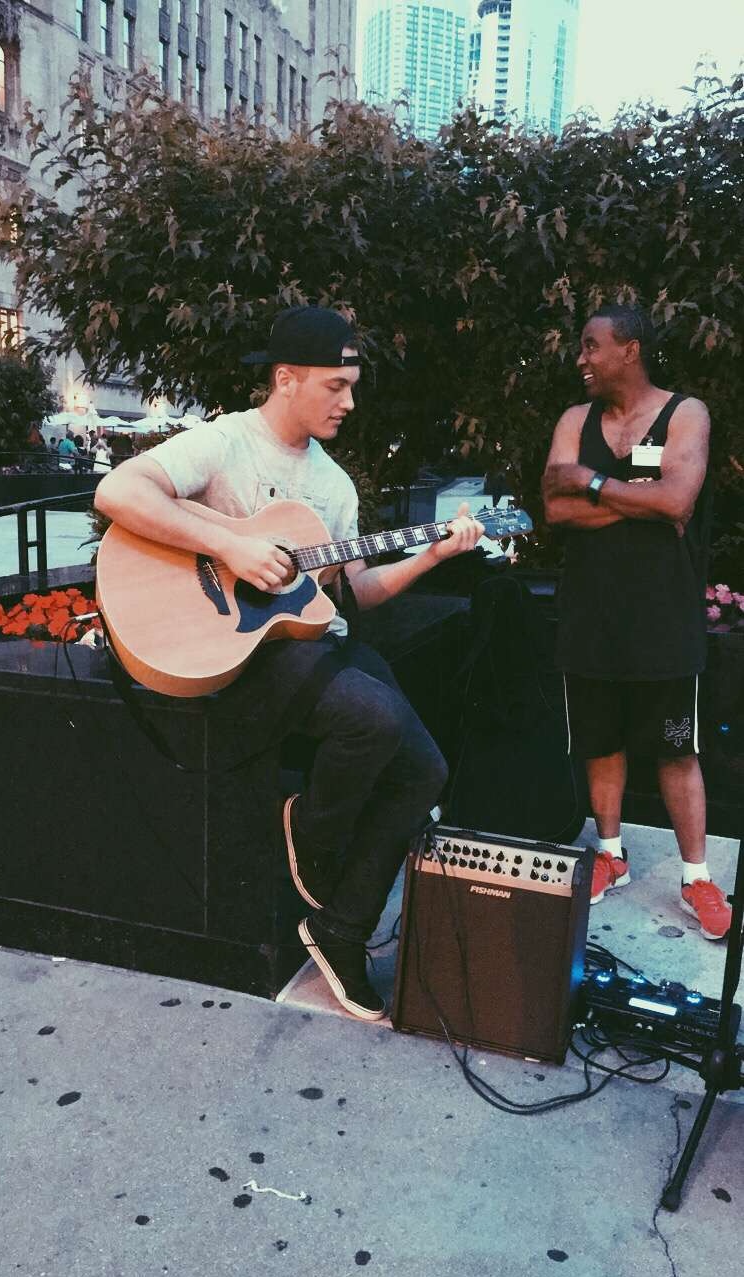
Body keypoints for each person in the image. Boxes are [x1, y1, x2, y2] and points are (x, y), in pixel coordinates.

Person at [95, 306, 484, 1018]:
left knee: (428, 769)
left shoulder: (333, 486)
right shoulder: (225, 442)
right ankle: (310, 830)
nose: (349, 402)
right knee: (374, 716)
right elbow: (117, 492)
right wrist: (231, 547)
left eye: (352, 386)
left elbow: (355, 591)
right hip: (245, 653)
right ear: (285, 379)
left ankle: (340, 930)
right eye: (336, 386)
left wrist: (433, 555)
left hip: (316, 646)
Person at [541, 303, 730, 941]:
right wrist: (639, 502)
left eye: (592, 346)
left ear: (630, 349)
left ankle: (698, 878)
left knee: (677, 751)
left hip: (662, 619)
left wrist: (589, 481)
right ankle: (611, 857)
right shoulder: (575, 419)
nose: (581, 359)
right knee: (601, 743)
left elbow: (678, 500)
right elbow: (555, 509)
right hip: (590, 616)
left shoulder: (686, 414)